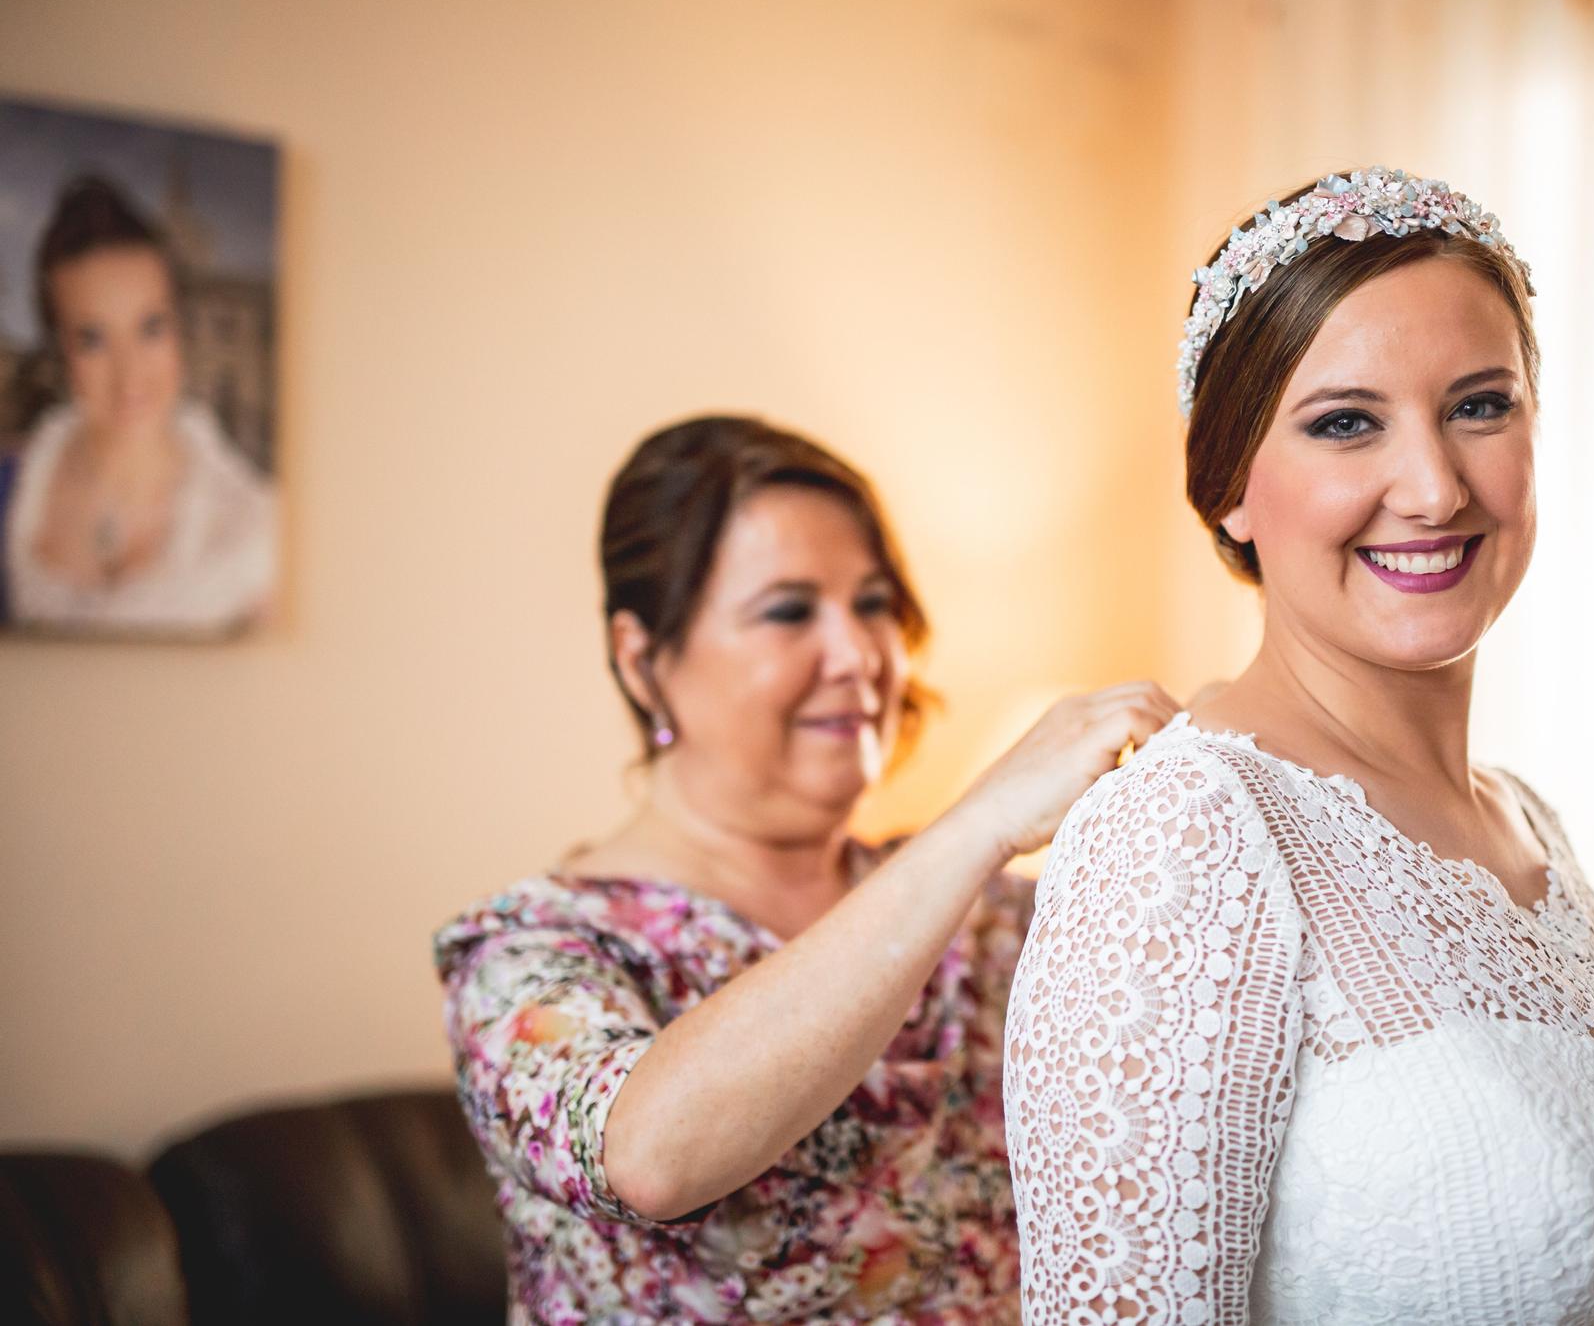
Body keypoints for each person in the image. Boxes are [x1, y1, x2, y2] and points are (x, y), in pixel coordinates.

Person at [1003, 167, 1594, 1324]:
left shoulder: (1523, 820)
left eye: (1479, 405)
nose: (1430, 486)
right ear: (1226, 485)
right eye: (1345, 424)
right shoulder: (1182, 837)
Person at [435, 415, 1177, 1323]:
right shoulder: (528, 951)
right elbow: (647, 1158)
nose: (860, 655)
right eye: (789, 611)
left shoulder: (996, 919)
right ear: (643, 660)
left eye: (872, 604)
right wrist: (978, 819)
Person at [0, 175, 273, 634]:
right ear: (61, 352)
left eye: (150, 328)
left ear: (179, 333)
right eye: (92, 339)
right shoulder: (12, 492)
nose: (129, 377)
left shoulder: (251, 531)